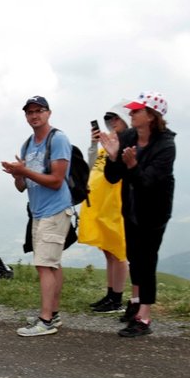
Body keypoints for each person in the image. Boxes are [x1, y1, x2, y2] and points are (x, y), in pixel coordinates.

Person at [100, 91, 176, 337]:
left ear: (152, 116)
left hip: (154, 211)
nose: (130, 114)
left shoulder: (165, 145)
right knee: (134, 257)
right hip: (131, 208)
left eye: (136, 111)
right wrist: (113, 158)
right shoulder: (130, 136)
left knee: (147, 259)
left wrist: (131, 165)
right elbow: (113, 177)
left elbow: (147, 183)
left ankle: (144, 316)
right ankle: (137, 305)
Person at [1, 95, 73, 337]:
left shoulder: (59, 139)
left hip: (55, 209)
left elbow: (56, 181)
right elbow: (23, 187)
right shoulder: (27, 144)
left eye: (39, 111)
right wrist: (17, 175)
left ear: (48, 113)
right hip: (38, 211)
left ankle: (46, 321)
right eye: (30, 112)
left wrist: (25, 171)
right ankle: (53, 313)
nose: (34, 115)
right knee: (52, 264)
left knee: (44, 265)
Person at [80, 104, 128, 314]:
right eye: (109, 120)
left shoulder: (127, 146)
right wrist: (93, 143)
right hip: (100, 208)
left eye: (115, 119)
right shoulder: (104, 148)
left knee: (119, 253)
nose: (111, 124)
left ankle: (117, 298)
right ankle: (110, 295)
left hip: (116, 207)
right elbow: (90, 167)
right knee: (108, 252)